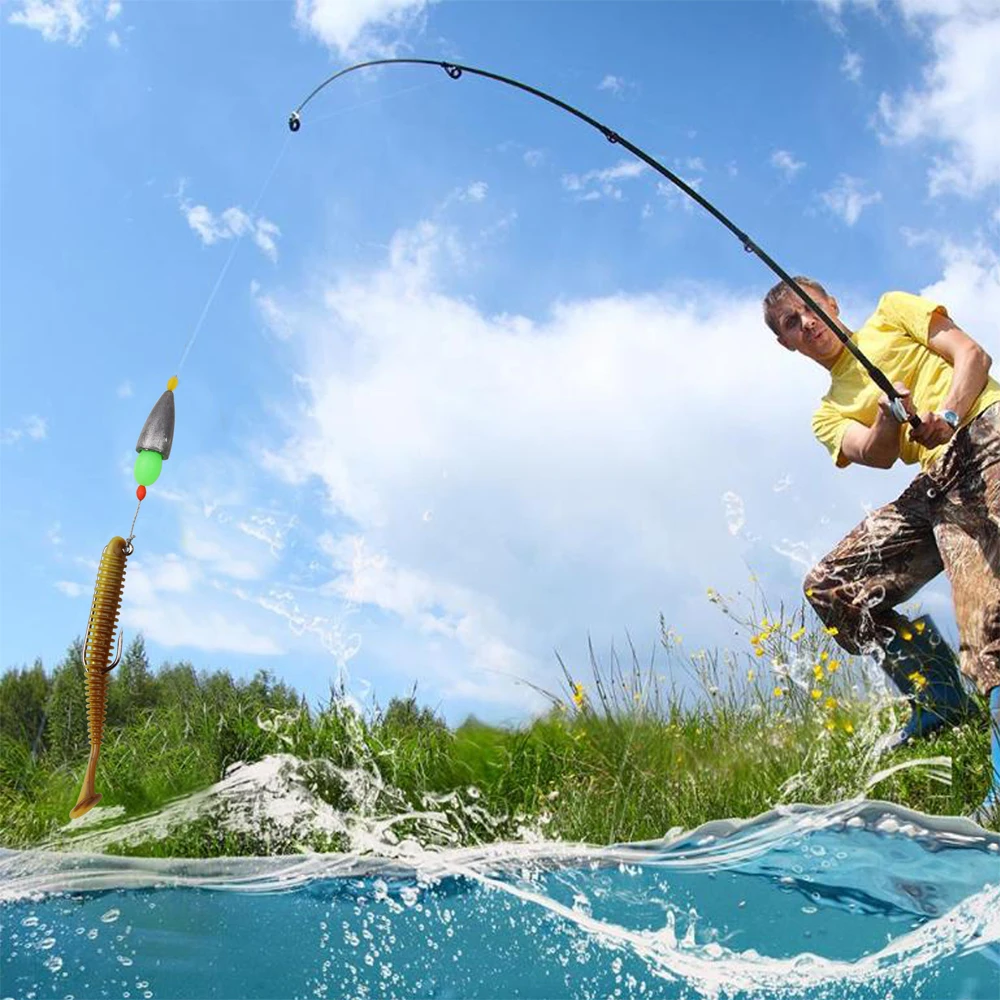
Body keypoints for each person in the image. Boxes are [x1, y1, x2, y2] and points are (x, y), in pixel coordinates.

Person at [761, 277, 1000, 825]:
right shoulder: (828, 411)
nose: (808, 324)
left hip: (984, 436)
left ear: (832, 303)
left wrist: (950, 414)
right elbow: (875, 455)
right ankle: (939, 697)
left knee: (987, 627)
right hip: (933, 482)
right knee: (831, 587)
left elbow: (972, 354)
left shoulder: (893, 312)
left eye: (810, 309)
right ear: (787, 345)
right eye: (792, 324)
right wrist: (890, 416)